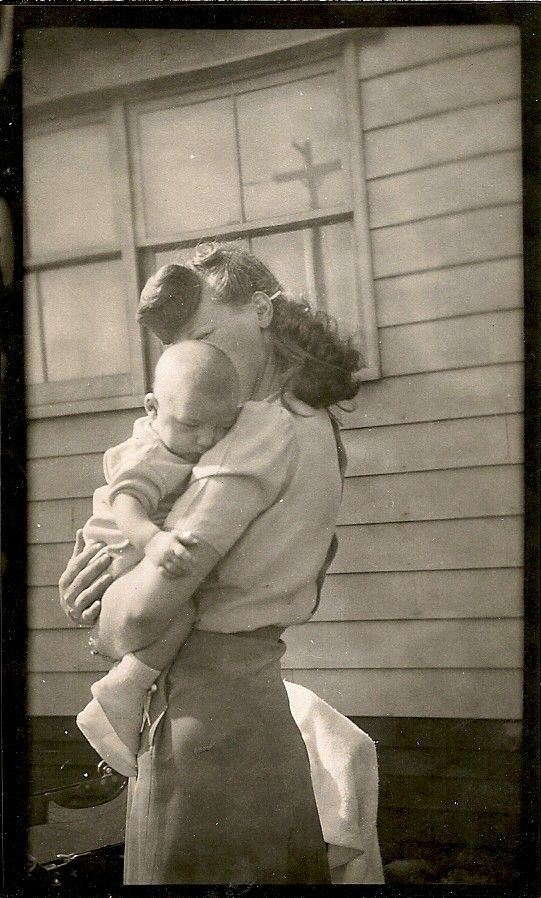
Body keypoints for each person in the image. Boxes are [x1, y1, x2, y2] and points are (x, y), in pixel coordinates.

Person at [59, 243, 360, 885]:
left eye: (206, 335)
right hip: (242, 702)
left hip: (207, 717)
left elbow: (135, 618)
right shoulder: (304, 421)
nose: (202, 360)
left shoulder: (259, 431)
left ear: (259, 312)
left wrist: (102, 601)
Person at [76, 339, 240, 777]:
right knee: (181, 610)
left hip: (128, 560)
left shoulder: (179, 440)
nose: (205, 439)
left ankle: (125, 696)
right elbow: (126, 501)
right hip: (120, 556)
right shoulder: (154, 453)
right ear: (152, 408)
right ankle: (121, 691)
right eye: (191, 425)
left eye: (221, 427)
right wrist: (153, 542)